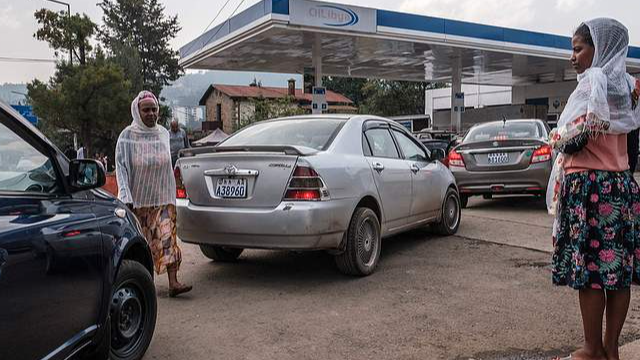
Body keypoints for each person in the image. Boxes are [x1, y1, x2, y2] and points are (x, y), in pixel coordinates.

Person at [547, 19, 640, 360]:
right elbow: (633, 147)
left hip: (589, 187)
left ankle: (592, 348)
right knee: (616, 272)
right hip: (620, 186)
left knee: (589, 273)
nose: (572, 57)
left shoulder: (593, 84)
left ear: (598, 49)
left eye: (578, 49)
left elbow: (579, 137)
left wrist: (556, 140)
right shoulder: (631, 87)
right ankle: (612, 349)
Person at [115, 90, 192, 297]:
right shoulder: (127, 137)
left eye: (154, 109)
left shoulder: (163, 134)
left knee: (167, 237)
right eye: (146, 109)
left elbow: (167, 166)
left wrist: (175, 187)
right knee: (143, 244)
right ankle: (142, 284)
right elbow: (121, 168)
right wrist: (125, 195)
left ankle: (173, 282)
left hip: (163, 198)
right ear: (137, 111)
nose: (151, 113)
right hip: (137, 201)